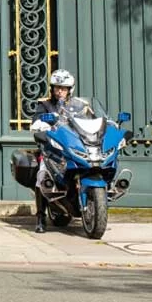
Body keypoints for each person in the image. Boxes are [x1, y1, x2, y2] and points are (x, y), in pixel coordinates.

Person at [30, 69, 94, 233]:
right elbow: (35, 122)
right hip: (53, 150)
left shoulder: (80, 105)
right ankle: (40, 217)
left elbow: (92, 121)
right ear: (52, 88)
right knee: (42, 174)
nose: (60, 91)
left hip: (77, 147)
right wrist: (40, 124)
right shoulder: (45, 105)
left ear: (70, 89)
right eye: (57, 87)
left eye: (63, 88)